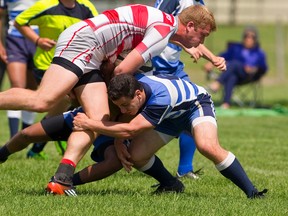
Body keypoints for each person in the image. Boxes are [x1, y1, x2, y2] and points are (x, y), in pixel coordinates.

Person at [0, 4, 222, 195]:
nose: (202, 40)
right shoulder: (163, 30)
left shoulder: (164, 24)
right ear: (190, 26)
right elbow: (122, 71)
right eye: (203, 35)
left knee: (97, 119)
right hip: (85, 41)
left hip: (95, 51)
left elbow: (120, 65)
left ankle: (62, 179)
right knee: (44, 101)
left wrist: (116, 134)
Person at [73, 73, 268, 198]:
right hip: (169, 115)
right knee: (137, 156)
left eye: (125, 105)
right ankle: (171, 184)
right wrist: (118, 140)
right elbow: (126, 122)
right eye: (119, 106)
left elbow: (130, 129)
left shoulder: (160, 98)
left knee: (207, 146)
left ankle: (252, 192)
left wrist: (90, 123)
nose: (123, 109)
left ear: (139, 94)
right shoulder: (132, 87)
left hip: (195, 105)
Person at [14, 0, 98, 158]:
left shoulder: (87, 6)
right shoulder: (45, 5)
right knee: (63, 101)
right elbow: (19, 22)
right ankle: (48, 140)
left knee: (66, 105)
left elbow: (98, 28)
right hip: (46, 65)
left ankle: (39, 146)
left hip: (74, 66)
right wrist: (37, 40)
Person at [153, 0, 226, 179]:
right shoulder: (172, 1)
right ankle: (110, 149)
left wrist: (213, 58)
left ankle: (185, 169)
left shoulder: (198, 3)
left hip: (174, 67)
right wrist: (185, 45)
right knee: (133, 114)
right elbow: (157, 28)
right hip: (153, 65)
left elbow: (196, 37)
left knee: (193, 109)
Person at [0, 0, 39, 139]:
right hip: (15, 39)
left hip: (39, 38)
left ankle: (25, 137)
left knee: (32, 90)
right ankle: (13, 138)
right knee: (17, 87)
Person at [204, 26, 268, 109]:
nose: (248, 39)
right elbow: (222, 56)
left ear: (255, 39)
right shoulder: (236, 48)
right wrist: (211, 62)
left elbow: (263, 68)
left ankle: (217, 83)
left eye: (252, 37)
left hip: (249, 76)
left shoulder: (259, 53)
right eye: (246, 36)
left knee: (234, 63)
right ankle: (226, 103)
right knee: (231, 76)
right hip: (234, 74)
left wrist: (253, 69)